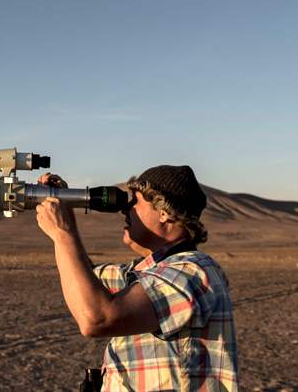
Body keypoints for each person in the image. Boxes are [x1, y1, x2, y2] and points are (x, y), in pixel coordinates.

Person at [35, 165, 237, 391]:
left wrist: (63, 234)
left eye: (135, 202)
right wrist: (65, 214)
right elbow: (84, 282)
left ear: (164, 212)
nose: (125, 210)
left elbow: (96, 318)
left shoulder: (193, 272)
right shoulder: (151, 272)